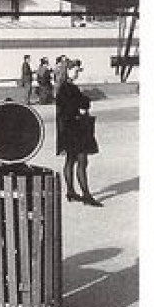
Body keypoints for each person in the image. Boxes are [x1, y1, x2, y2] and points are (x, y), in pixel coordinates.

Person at [55, 58, 101, 205]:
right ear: (68, 70)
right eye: (76, 71)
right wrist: (82, 104)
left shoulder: (63, 87)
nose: (77, 74)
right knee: (82, 161)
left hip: (67, 129)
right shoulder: (68, 88)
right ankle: (86, 195)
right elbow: (79, 104)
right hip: (75, 129)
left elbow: (76, 104)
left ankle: (71, 191)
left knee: (70, 160)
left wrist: (82, 102)